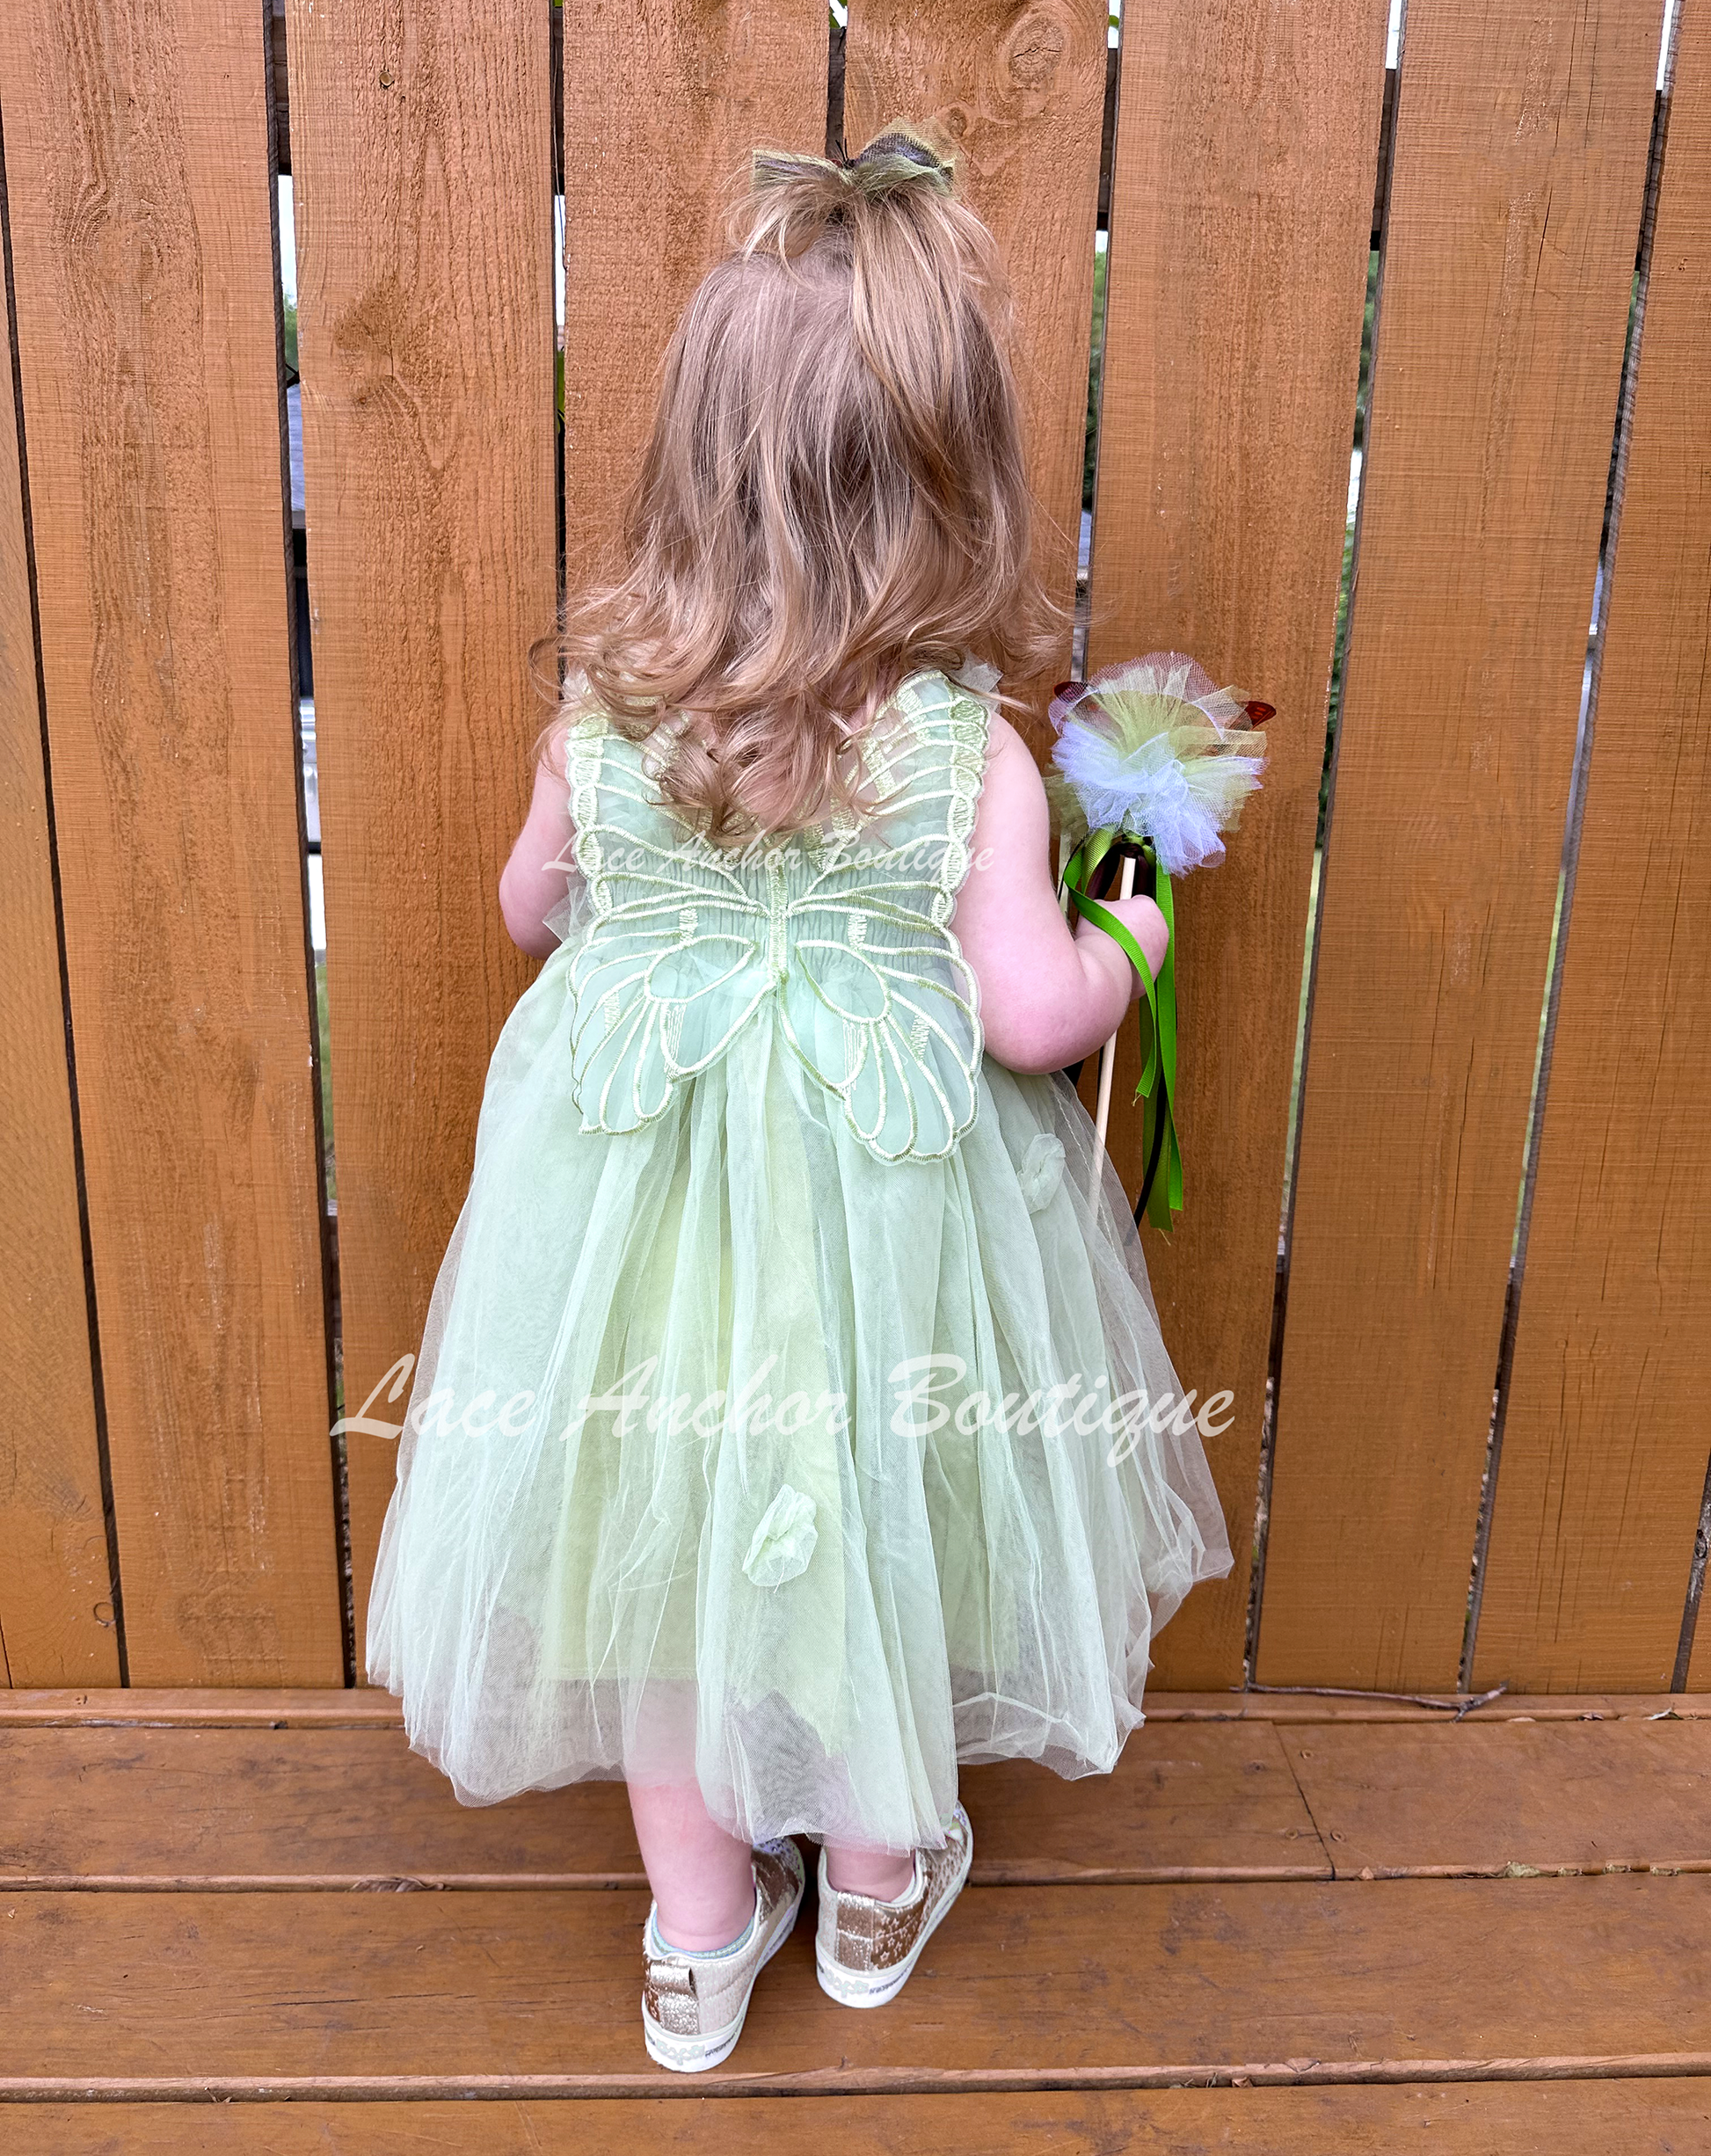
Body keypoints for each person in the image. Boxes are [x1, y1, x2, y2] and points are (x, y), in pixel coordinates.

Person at [367, 121, 1233, 2075]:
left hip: (630, 1247)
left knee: (651, 1559)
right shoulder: (970, 761)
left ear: (689, 461)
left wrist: (611, 887)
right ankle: (870, 1873)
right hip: (882, 1250)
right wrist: (1141, 925)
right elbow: (1030, 1017)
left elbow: (525, 908)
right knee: (883, 1533)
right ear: (950, 490)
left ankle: (696, 1934)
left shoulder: (602, 718)